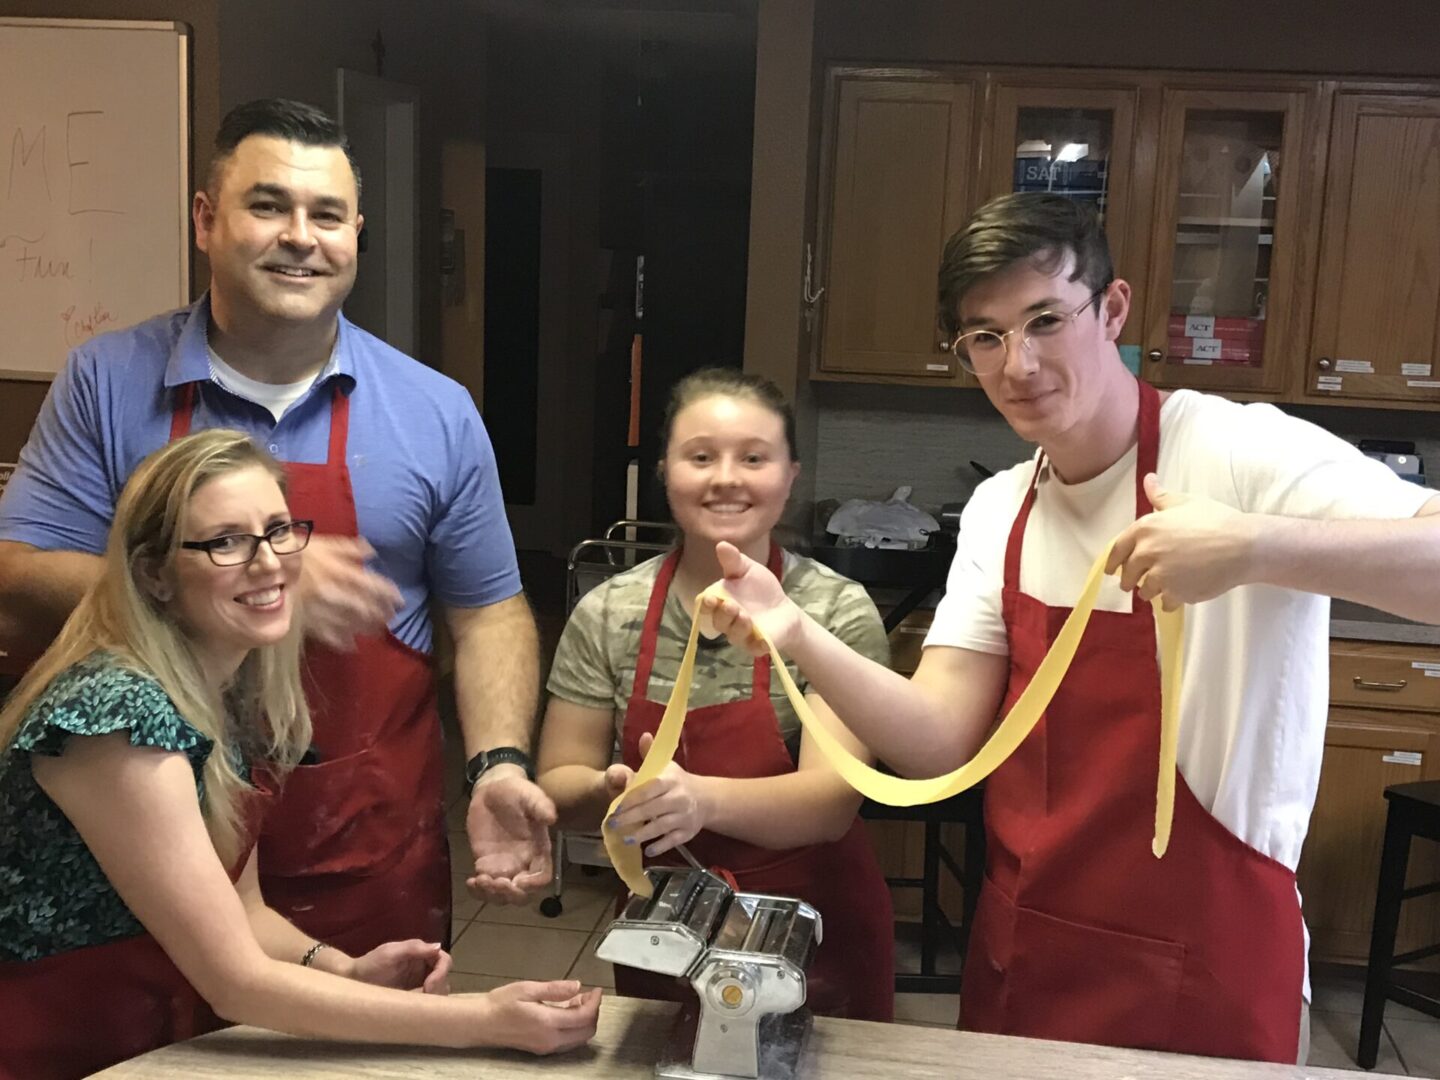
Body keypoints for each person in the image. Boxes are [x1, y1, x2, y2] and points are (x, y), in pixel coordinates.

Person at [698, 194, 1440, 1063]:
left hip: (1212, 970)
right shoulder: (1000, 510)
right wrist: (795, 633)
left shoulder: (1239, 454)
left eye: (1046, 318)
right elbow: (939, 742)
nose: (1019, 364)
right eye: (986, 336)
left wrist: (1251, 547)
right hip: (1028, 960)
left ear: (1113, 309)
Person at [0, 99, 555, 957]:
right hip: (149, 859)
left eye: (327, 215)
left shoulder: (436, 412)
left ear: (356, 233)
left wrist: (499, 766)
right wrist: (234, 588)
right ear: (205, 218)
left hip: (369, 856)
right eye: (268, 205)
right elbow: (19, 573)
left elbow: (488, 613)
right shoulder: (106, 382)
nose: (302, 236)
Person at [0, 430, 601, 1080]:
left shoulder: (220, 696)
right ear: (153, 575)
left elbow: (246, 914)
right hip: (50, 1045)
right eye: (226, 541)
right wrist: (486, 1022)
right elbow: (238, 983)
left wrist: (338, 967)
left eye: (280, 530)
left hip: (150, 1041)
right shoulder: (116, 713)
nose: (269, 563)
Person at [536, 369, 895, 1021]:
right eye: (700, 456)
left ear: (790, 474)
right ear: (665, 471)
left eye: (753, 458)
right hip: (666, 935)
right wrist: (611, 792)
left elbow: (829, 803)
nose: (726, 477)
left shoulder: (834, 610)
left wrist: (697, 800)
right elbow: (558, 786)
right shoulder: (609, 612)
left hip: (817, 939)